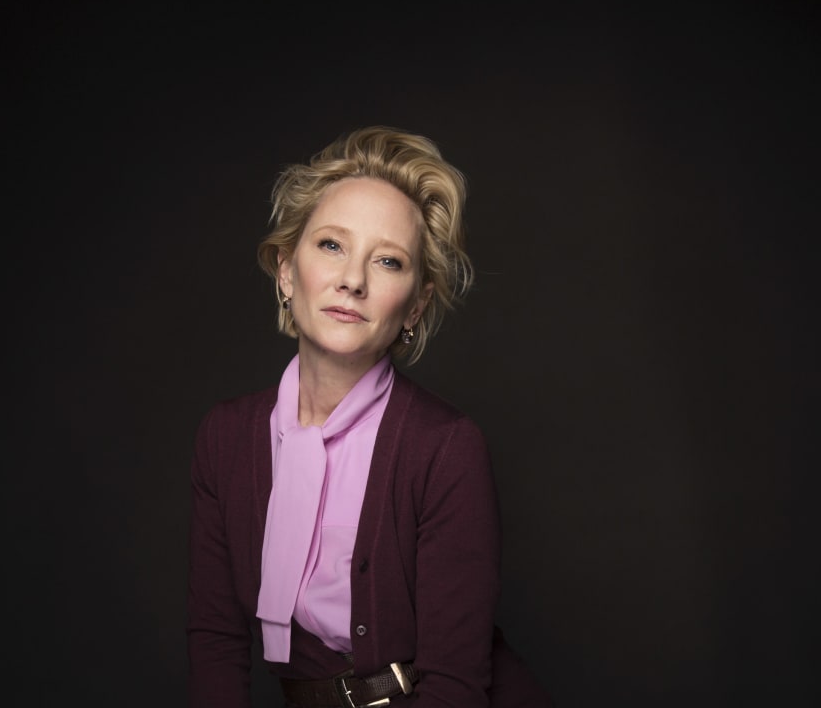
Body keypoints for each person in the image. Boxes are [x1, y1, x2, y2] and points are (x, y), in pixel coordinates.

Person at [187, 126, 551, 707]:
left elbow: (454, 686)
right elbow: (215, 640)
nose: (352, 280)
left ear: (416, 304)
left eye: (387, 261)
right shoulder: (226, 438)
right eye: (331, 245)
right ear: (286, 270)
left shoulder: (445, 447)